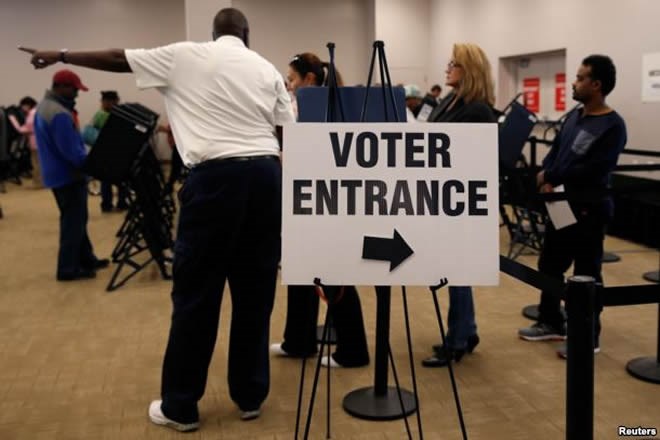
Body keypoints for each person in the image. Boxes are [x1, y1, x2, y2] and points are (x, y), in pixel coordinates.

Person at [20, 7, 294, 431]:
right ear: (247, 35)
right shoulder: (266, 67)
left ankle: (181, 407)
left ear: (212, 33)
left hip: (215, 179)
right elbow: (285, 132)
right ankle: (250, 395)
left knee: (197, 295)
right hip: (265, 178)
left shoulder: (185, 54)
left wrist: (60, 55)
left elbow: (118, 57)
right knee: (255, 293)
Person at [518, 55, 627, 359]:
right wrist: (546, 176)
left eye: (580, 78)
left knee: (586, 274)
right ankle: (550, 320)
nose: (573, 83)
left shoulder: (613, 125)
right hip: (559, 205)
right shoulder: (574, 117)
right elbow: (556, 152)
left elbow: (594, 169)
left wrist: (551, 176)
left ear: (597, 84)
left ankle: (587, 336)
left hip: (589, 211)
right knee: (550, 266)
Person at [270, 52, 370, 369]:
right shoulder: (307, 110)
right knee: (301, 272)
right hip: (306, 202)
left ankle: (353, 351)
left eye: (292, 79)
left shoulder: (325, 112)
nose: (288, 85)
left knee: (333, 275)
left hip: (327, 205)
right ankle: (298, 341)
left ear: (309, 80)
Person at [421, 43, 497, 368]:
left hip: (460, 200)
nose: (447, 68)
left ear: (470, 70)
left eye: (454, 63)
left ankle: (458, 340)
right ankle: (467, 331)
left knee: (457, 270)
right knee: (454, 270)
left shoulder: (478, 111)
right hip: (440, 194)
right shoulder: (448, 101)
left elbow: (473, 159)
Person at [31, 70, 109, 281]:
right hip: (68, 175)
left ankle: (87, 259)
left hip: (56, 173)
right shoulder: (59, 114)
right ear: (61, 86)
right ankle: (67, 269)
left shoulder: (44, 107)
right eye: (74, 89)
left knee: (77, 220)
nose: (76, 94)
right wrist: (94, 167)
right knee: (73, 223)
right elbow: (72, 152)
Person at [89, 90, 129, 212]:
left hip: (107, 152)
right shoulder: (108, 115)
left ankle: (107, 204)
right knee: (116, 180)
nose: (102, 103)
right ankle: (120, 203)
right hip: (113, 152)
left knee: (107, 181)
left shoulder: (100, 115)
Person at [7, 96, 41, 188]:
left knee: (35, 163)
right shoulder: (37, 112)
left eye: (23, 106)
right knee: (39, 163)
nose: (22, 108)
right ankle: (40, 182)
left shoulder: (32, 114)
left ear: (27, 105)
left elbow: (24, 129)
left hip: (35, 142)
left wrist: (12, 119)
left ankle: (38, 183)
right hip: (38, 141)